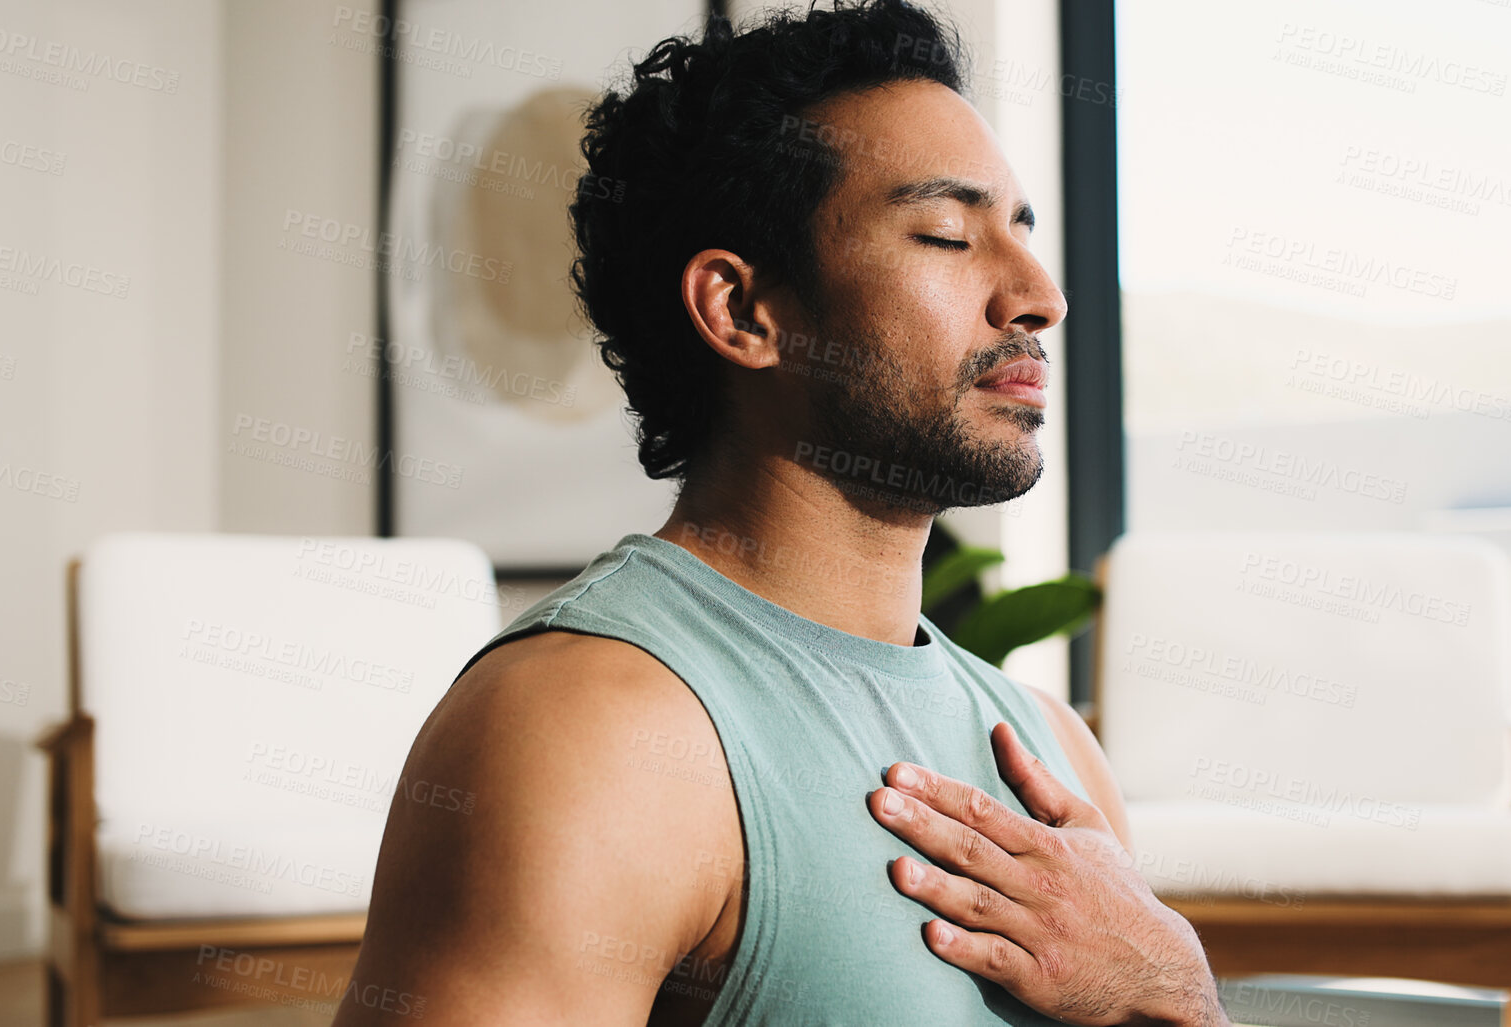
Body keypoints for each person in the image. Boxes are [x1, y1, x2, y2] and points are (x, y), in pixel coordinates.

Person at [334, 2, 1227, 1023]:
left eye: (1021, 232)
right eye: (946, 234)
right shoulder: (584, 730)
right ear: (744, 311)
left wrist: (1178, 994)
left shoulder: (1056, 749)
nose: (1039, 295)